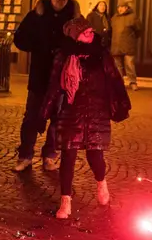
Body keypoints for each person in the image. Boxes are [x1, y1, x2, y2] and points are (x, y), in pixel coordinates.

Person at [40, 18, 131, 219]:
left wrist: (122, 103)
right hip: (71, 111)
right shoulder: (63, 56)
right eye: (85, 31)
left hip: (97, 110)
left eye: (91, 30)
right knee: (68, 157)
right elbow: (54, 86)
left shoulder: (101, 54)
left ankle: (102, 184)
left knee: (95, 155)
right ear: (74, 34)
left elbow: (114, 78)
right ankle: (66, 201)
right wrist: (44, 112)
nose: (91, 33)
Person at [12, 0, 81, 172]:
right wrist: (37, 46)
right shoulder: (38, 14)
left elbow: (86, 40)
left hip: (63, 77)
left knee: (58, 119)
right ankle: (25, 155)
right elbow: (20, 38)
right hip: (40, 75)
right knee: (32, 117)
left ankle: (50, 155)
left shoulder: (74, 16)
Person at [110, 2, 142, 91]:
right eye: (119, 7)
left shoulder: (133, 17)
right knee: (117, 66)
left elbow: (138, 30)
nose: (120, 9)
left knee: (129, 64)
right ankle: (120, 83)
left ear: (127, 8)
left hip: (128, 44)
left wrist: (131, 38)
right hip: (116, 44)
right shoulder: (114, 18)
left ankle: (133, 82)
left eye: (122, 7)